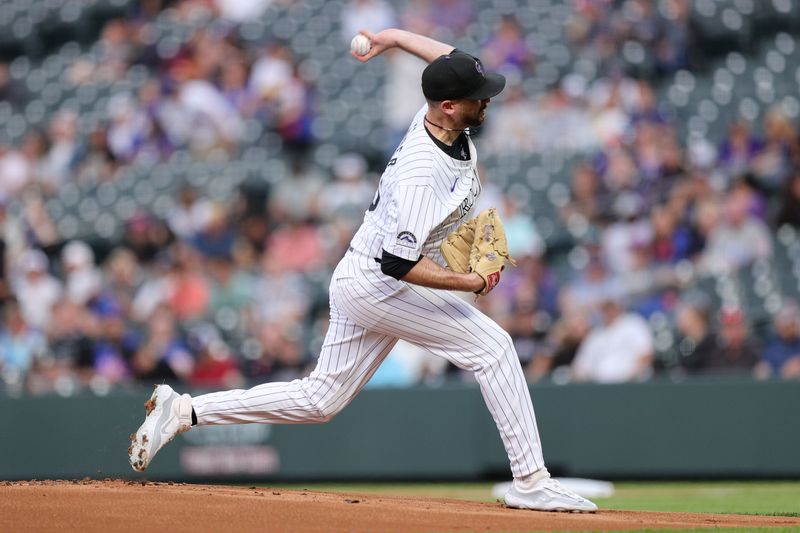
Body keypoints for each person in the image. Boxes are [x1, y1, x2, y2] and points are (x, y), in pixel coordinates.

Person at [127, 28, 597, 513]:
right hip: (379, 282)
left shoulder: (437, 116)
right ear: (450, 105)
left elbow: (453, 58)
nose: (488, 100)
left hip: (361, 275)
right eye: (478, 97)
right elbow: (398, 264)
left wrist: (393, 37)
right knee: (494, 348)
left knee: (319, 400)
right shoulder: (421, 172)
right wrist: (470, 282)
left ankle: (184, 409)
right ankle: (531, 480)